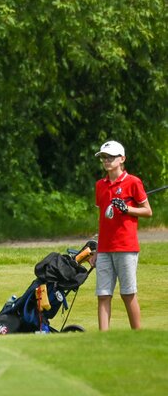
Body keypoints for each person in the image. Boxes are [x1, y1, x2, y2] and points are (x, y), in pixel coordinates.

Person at [92, 140, 152, 330]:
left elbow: (147, 211)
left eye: (110, 157)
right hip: (104, 249)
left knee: (127, 293)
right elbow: (102, 219)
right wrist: (95, 248)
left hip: (126, 247)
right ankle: (104, 338)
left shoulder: (133, 182)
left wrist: (127, 209)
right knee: (103, 294)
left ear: (122, 159)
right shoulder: (100, 185)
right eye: (103, 157)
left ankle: (137, 335)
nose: (106, 160)